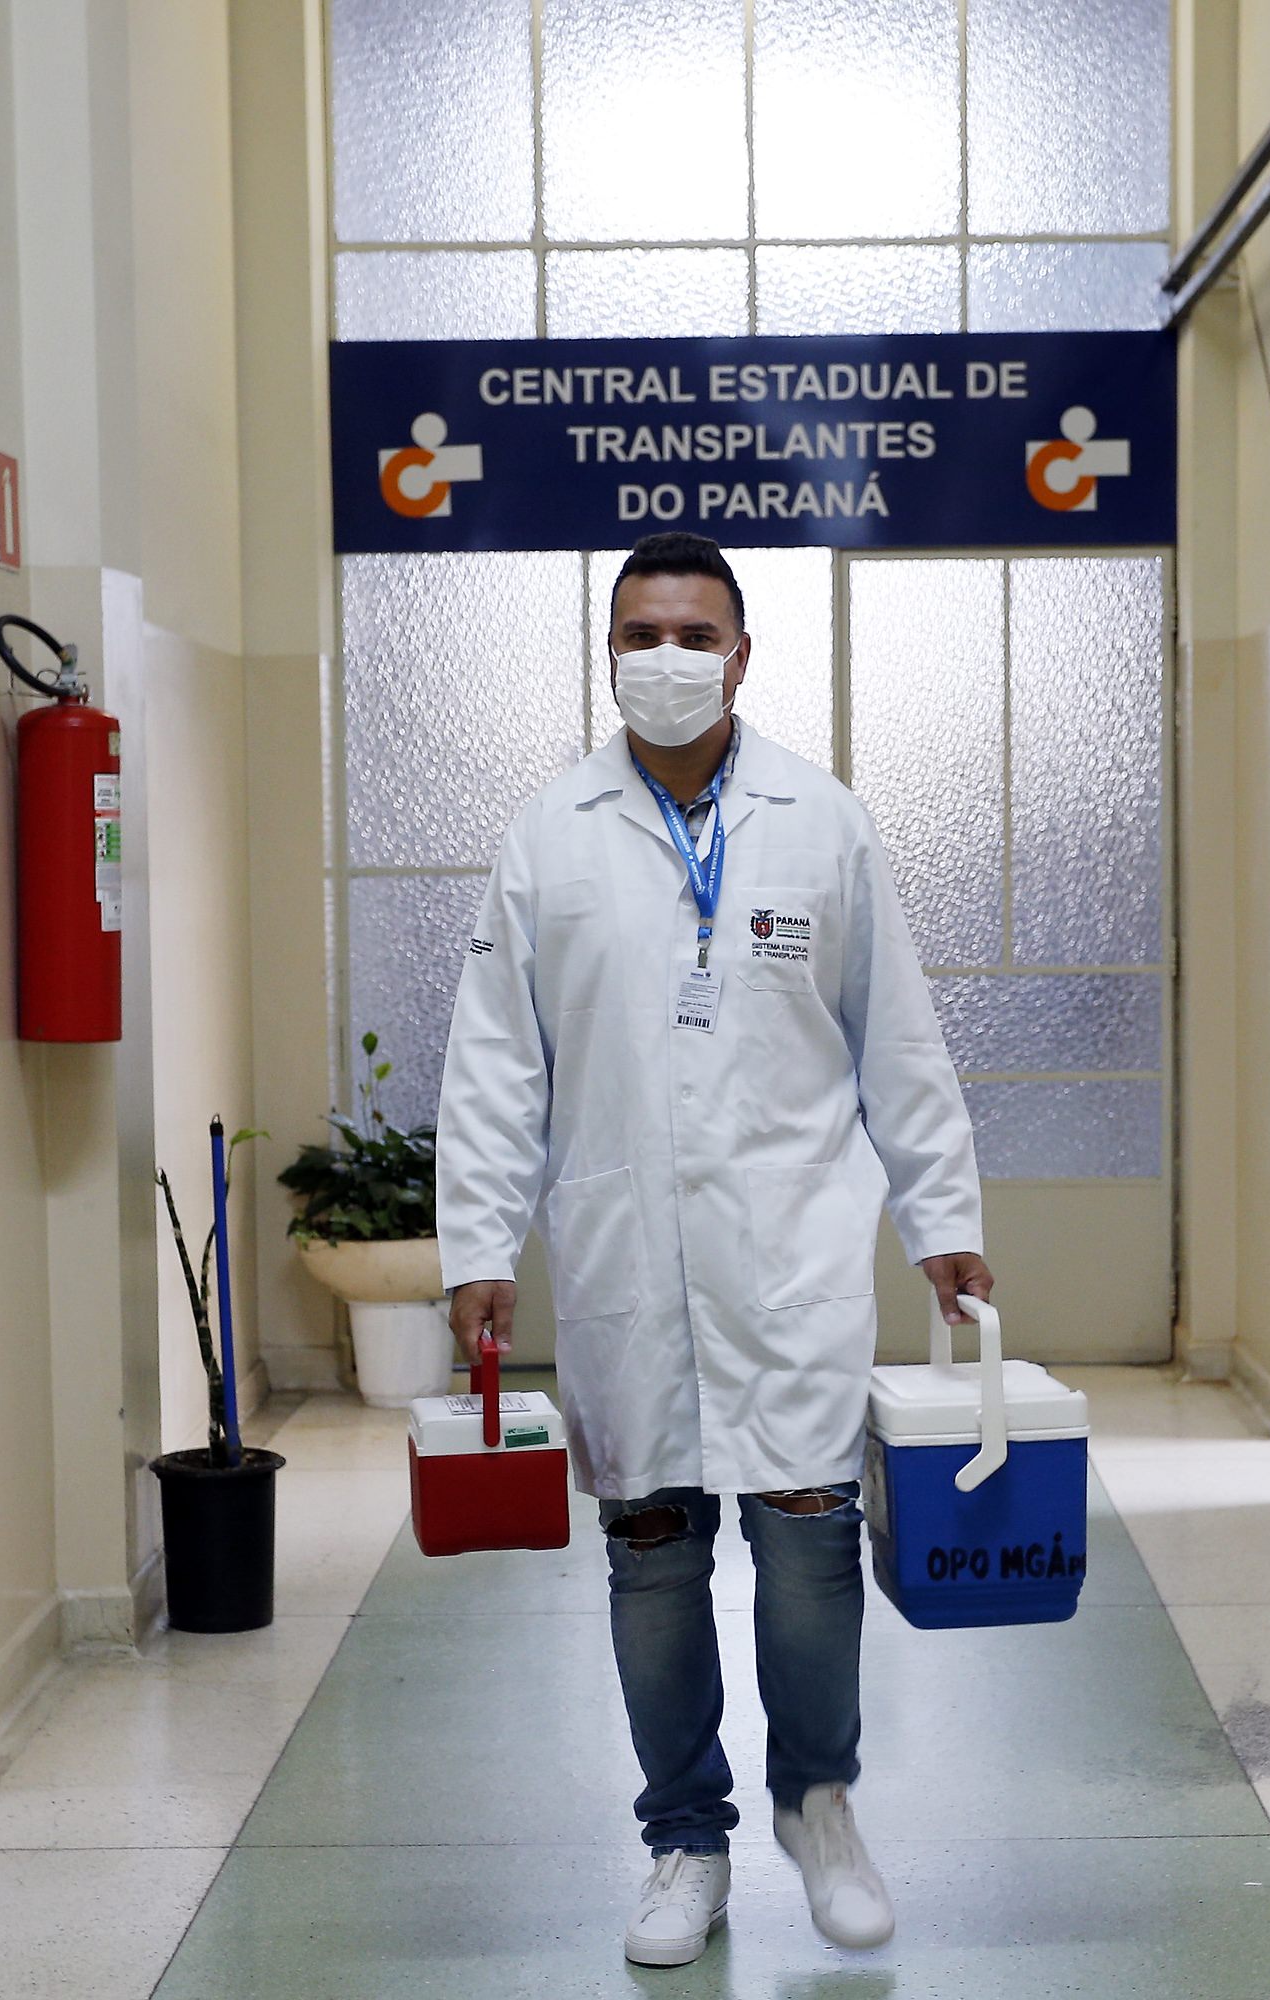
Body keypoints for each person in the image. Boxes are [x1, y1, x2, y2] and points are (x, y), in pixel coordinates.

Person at [436, 530, 993, 1968]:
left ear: (743, 655)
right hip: (628, 1262)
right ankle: (686, 1839)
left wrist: (944, 1223)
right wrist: (478, 1243)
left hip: (792, 1249)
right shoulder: (550, 834)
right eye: (640, 634)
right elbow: (496, 1059)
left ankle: (819, 1807)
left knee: (809, 1547)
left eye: (693, 633)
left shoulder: (824, 821)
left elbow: (901, 1036)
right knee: (654, 1555)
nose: (666, 658)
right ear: (606, 653)